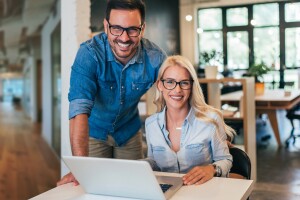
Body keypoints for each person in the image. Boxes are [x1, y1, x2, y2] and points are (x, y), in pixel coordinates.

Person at [57, 0, 166, 186]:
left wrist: (213, 131)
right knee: (92, 186)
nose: (124, 38)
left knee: (133, 187)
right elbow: (78, 111)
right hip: (93, 133)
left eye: (132, 30)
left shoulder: (154, 57)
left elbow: (176, 96)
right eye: (116, 28)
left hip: (129, 132)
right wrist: (80, 168)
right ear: (106, 26)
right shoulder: (89, 54)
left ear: (143, 28)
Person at [144, 55, 235, 185]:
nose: (177, 90)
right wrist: (140, 165)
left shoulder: (211, 119)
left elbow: (225, 160)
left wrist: (211, 169)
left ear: (192, 86)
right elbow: (154, 162)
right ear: (160, 85)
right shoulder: (151, 124)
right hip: (168, 193)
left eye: (184, 83)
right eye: (170, 82)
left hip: (202, 192)